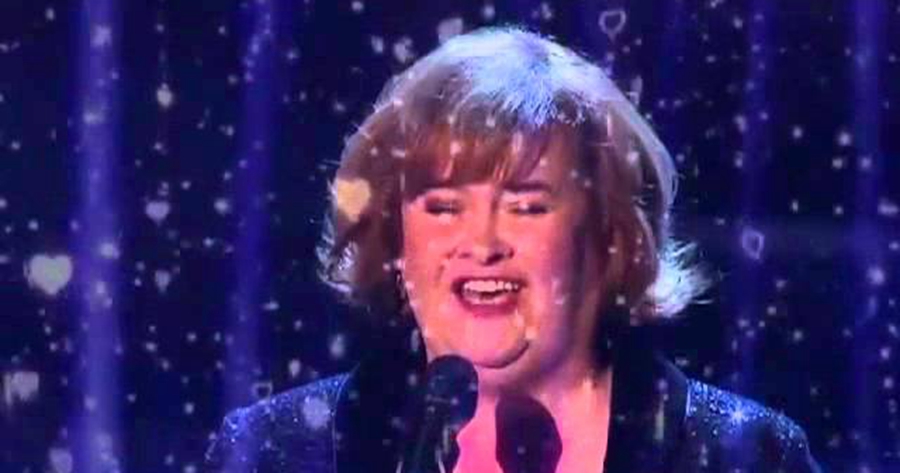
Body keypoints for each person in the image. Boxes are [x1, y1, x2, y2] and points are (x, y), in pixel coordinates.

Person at [206, 26, 821, 473]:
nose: (481, 244)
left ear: (608, 237)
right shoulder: (274, 453)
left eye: (526, 206)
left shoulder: (743, 455)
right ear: (395, 240)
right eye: (443, 207)